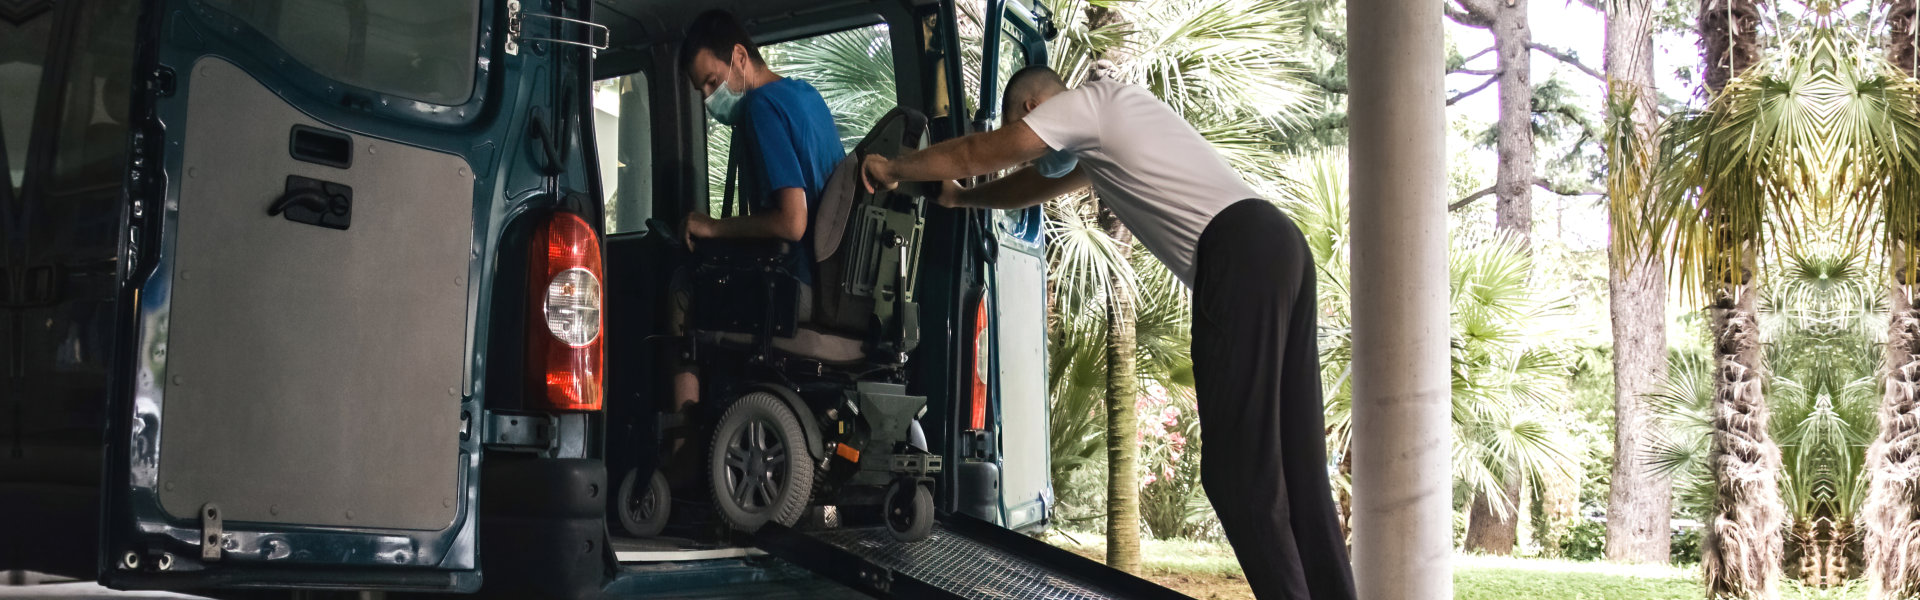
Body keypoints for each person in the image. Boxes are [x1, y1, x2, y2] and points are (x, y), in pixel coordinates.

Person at [862, 66, 1356, 600]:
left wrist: (894, 167)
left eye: (1025, 137)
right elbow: (1033, 185)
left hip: (1239, 258)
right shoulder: (1109, 127)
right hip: (1279, 245)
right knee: (1299, 467)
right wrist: (960, 200)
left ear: (1033, 110)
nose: (1029, 151)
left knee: (1239, 475)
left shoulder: (1088, 106)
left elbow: (975, 154)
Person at [670, 10, 845, 413]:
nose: (708, 97)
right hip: (828, 281)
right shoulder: (805, 95)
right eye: (701, 90)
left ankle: (683, 442)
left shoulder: (762, 107)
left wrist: (713, 228)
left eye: (712, 82)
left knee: (682, 289)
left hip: (796, 285)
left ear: (739, 57)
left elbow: (792, 221)